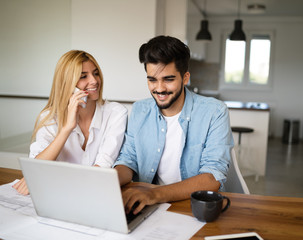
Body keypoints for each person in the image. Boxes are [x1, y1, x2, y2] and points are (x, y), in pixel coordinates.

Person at [114, 35, 233, 214]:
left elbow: (212, 177)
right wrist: (107, 182)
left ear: (185, 78)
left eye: (168, 79)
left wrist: (153, 194)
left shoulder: (215, 112)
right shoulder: (139, 110)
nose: (159, 88)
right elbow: (128, 160)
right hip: (146, 205)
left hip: (190, 206)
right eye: (152, 80)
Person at [13, 50, 128, 195]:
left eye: (96, 73)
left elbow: (104, 167)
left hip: (95, 193)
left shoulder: (115, 113)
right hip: (58, 194)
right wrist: (67, 128)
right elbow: (35, 168)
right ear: (67, 84)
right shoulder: (49, 117)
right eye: (83, 76)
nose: (94, 81)